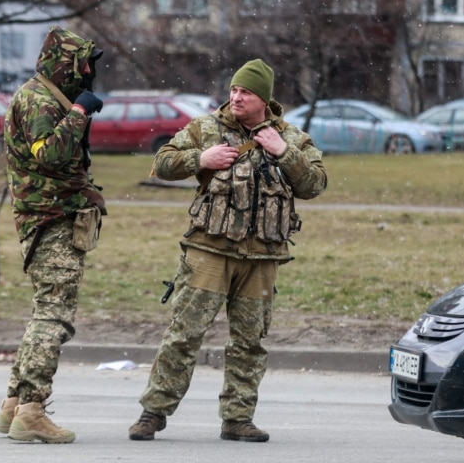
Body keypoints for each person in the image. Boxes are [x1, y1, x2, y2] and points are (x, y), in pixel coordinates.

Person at [128, 59, 327, 443]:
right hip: (209, 251)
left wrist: (284, 152)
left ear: (263, 99)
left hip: (263, 258)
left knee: (249, 342)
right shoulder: (205, 129)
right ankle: (153, 412)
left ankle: (237, 418)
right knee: (184, 334)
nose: (236, 97)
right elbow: (162, 163)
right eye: (234, 90)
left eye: (245, 92)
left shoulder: (292, 138)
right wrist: (199, 159)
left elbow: (315, 184)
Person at [0, 25, 106, 444]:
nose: (88, 76)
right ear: (64, 66)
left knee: (44, 311)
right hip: (50, 220)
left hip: (49, 216)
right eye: (83, 67)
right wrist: (78, 113)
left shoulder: (39, 96)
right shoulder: (40, 101)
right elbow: (51, 155)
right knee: (53, 316)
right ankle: (32, 411)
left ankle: (13, 405)